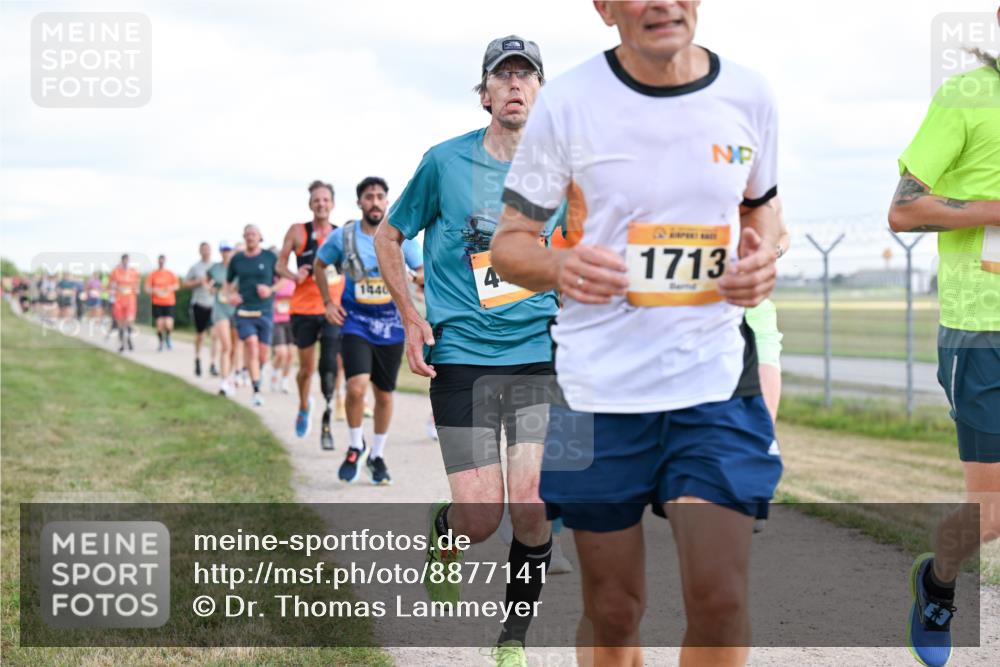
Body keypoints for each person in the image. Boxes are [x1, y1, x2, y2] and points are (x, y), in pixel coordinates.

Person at [490, 3, 782, 666]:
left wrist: (763, 256)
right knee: (614, 610)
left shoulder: (749, 94)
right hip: (596, 388)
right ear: (604, 7)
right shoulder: (567, 102)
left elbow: (763, 211)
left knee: (721, 600)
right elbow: (510, 245)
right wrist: (560, 264)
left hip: (713, 380)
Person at [376, 35, 561, 666]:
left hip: (537, 352)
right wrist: (410, 316)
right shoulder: (444, 162)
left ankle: (513, 639)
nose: (514, 85)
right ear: (484, 94)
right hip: (461, 356)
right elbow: (390, 235)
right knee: (481, 518)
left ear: (540, 91)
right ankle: (446, 532)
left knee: (531, 504)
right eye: (502, 76)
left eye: (525, 75)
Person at [888, 8, 1000, 664]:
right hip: (981, 330)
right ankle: (937, 581)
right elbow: (904, 209)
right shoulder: (967, 95)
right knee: (992, 512)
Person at [315, 176, 424, 483]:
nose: (374, 202)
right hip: (356, 323)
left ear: (387, 201)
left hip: (391, 325)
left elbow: (422, 270)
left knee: (384, 396)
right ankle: (354, 446)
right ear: (359, 202)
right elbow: (320, 265)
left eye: (379, 196)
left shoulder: (401, 236)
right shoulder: (344, 236)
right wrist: (327, 302)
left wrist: (415, 277)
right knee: (356, 386)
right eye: (368, 197)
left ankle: (377, 455)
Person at [278, 180, 346, 448]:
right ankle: (304, 405)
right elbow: (279, 265)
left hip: (332, 308)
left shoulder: (342, 234)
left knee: (329, 363)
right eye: (317, 200)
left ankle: (328, 413)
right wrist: (294, 275)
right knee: (306, 370)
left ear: (333, 204)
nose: (321, 204)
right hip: (303, 309)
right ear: (310, 204)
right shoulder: (298, 231)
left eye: (325, 200)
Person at [225, 225, 278, 407]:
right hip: (244, 310)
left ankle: (256, 372)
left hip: (265, 310)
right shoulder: (237, 259)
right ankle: (256, 391)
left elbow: (284, 278)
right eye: (247, 234)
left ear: (260, 237)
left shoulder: (269, 257)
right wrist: (231, 296)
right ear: (244, 237)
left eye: (253, 234)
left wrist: (270, 290)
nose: (250, 237)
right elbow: (228, 283)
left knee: (263, 354)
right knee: (252, 346)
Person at [209, 241, 238, 396]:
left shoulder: (238, 268)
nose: (226, 252)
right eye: (223, 250)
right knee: (226, 346)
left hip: (236, 310)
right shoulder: (215, 268)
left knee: (234, 347)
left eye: (228, 250)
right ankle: (224, 381)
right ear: (220, 252)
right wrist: (210, 288)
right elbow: (207, 280)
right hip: (220, 310)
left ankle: (230, 375)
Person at [184, 242, 217, 376]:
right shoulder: (195, 267)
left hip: (214, 304)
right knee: (201, 335)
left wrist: (214, 288)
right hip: (199, 303)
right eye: (203, 249)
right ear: (200, 251)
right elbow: (185, 283)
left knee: (215, 335)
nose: (206, 251)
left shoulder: (216, 267)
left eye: (207, 249)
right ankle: (197, 359)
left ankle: (213, 363)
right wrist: (198, 281)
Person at [145, 255, 179, 352]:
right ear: (158, 262)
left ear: (164, 262)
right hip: (157, 303)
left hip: (169, 302)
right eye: (160, 261)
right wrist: (155, 290)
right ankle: (160, 343)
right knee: (159, 325)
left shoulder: (170, 273)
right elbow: (147, 289)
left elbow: (177, 285)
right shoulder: (153, 274)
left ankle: (168, 337)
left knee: (168, 324)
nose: (161, 263)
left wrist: (169, 288)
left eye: (162, 261)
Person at [109, 254, 140, 352]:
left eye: (127, 260)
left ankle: (129, 339)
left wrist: (135, 289)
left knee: (129, 321)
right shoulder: (115, 272)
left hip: (130, 299)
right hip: (119, 299)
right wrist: (113, 296)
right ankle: (122, 344)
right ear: (122, 260)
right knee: (120, 323)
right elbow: (111, 285)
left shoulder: (133, 271)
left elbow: (137, 285)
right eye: (124, 260)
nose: (126, 262)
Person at [270, 275, 296, 393]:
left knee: (291, 354)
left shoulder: (293, 280)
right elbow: (267, 296)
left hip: (291, 320)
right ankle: (274, 372)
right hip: (277, 320)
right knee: (281, 352)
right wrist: (273, 304)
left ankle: (285, 380)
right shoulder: (273, 281)